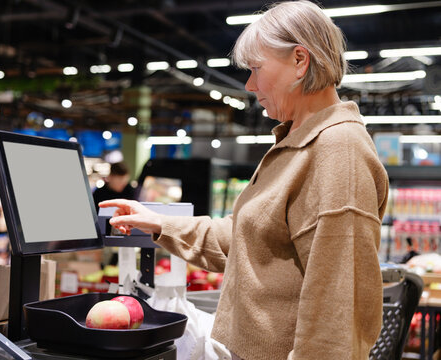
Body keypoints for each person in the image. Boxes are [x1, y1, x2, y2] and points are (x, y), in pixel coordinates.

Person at [100, 1, 389, 359]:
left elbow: (339, 306)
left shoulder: (337, 149)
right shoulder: (296, 143)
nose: (250, 84)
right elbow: (248, 240)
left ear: (300, 60)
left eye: (255, 68)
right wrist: (159, 223)